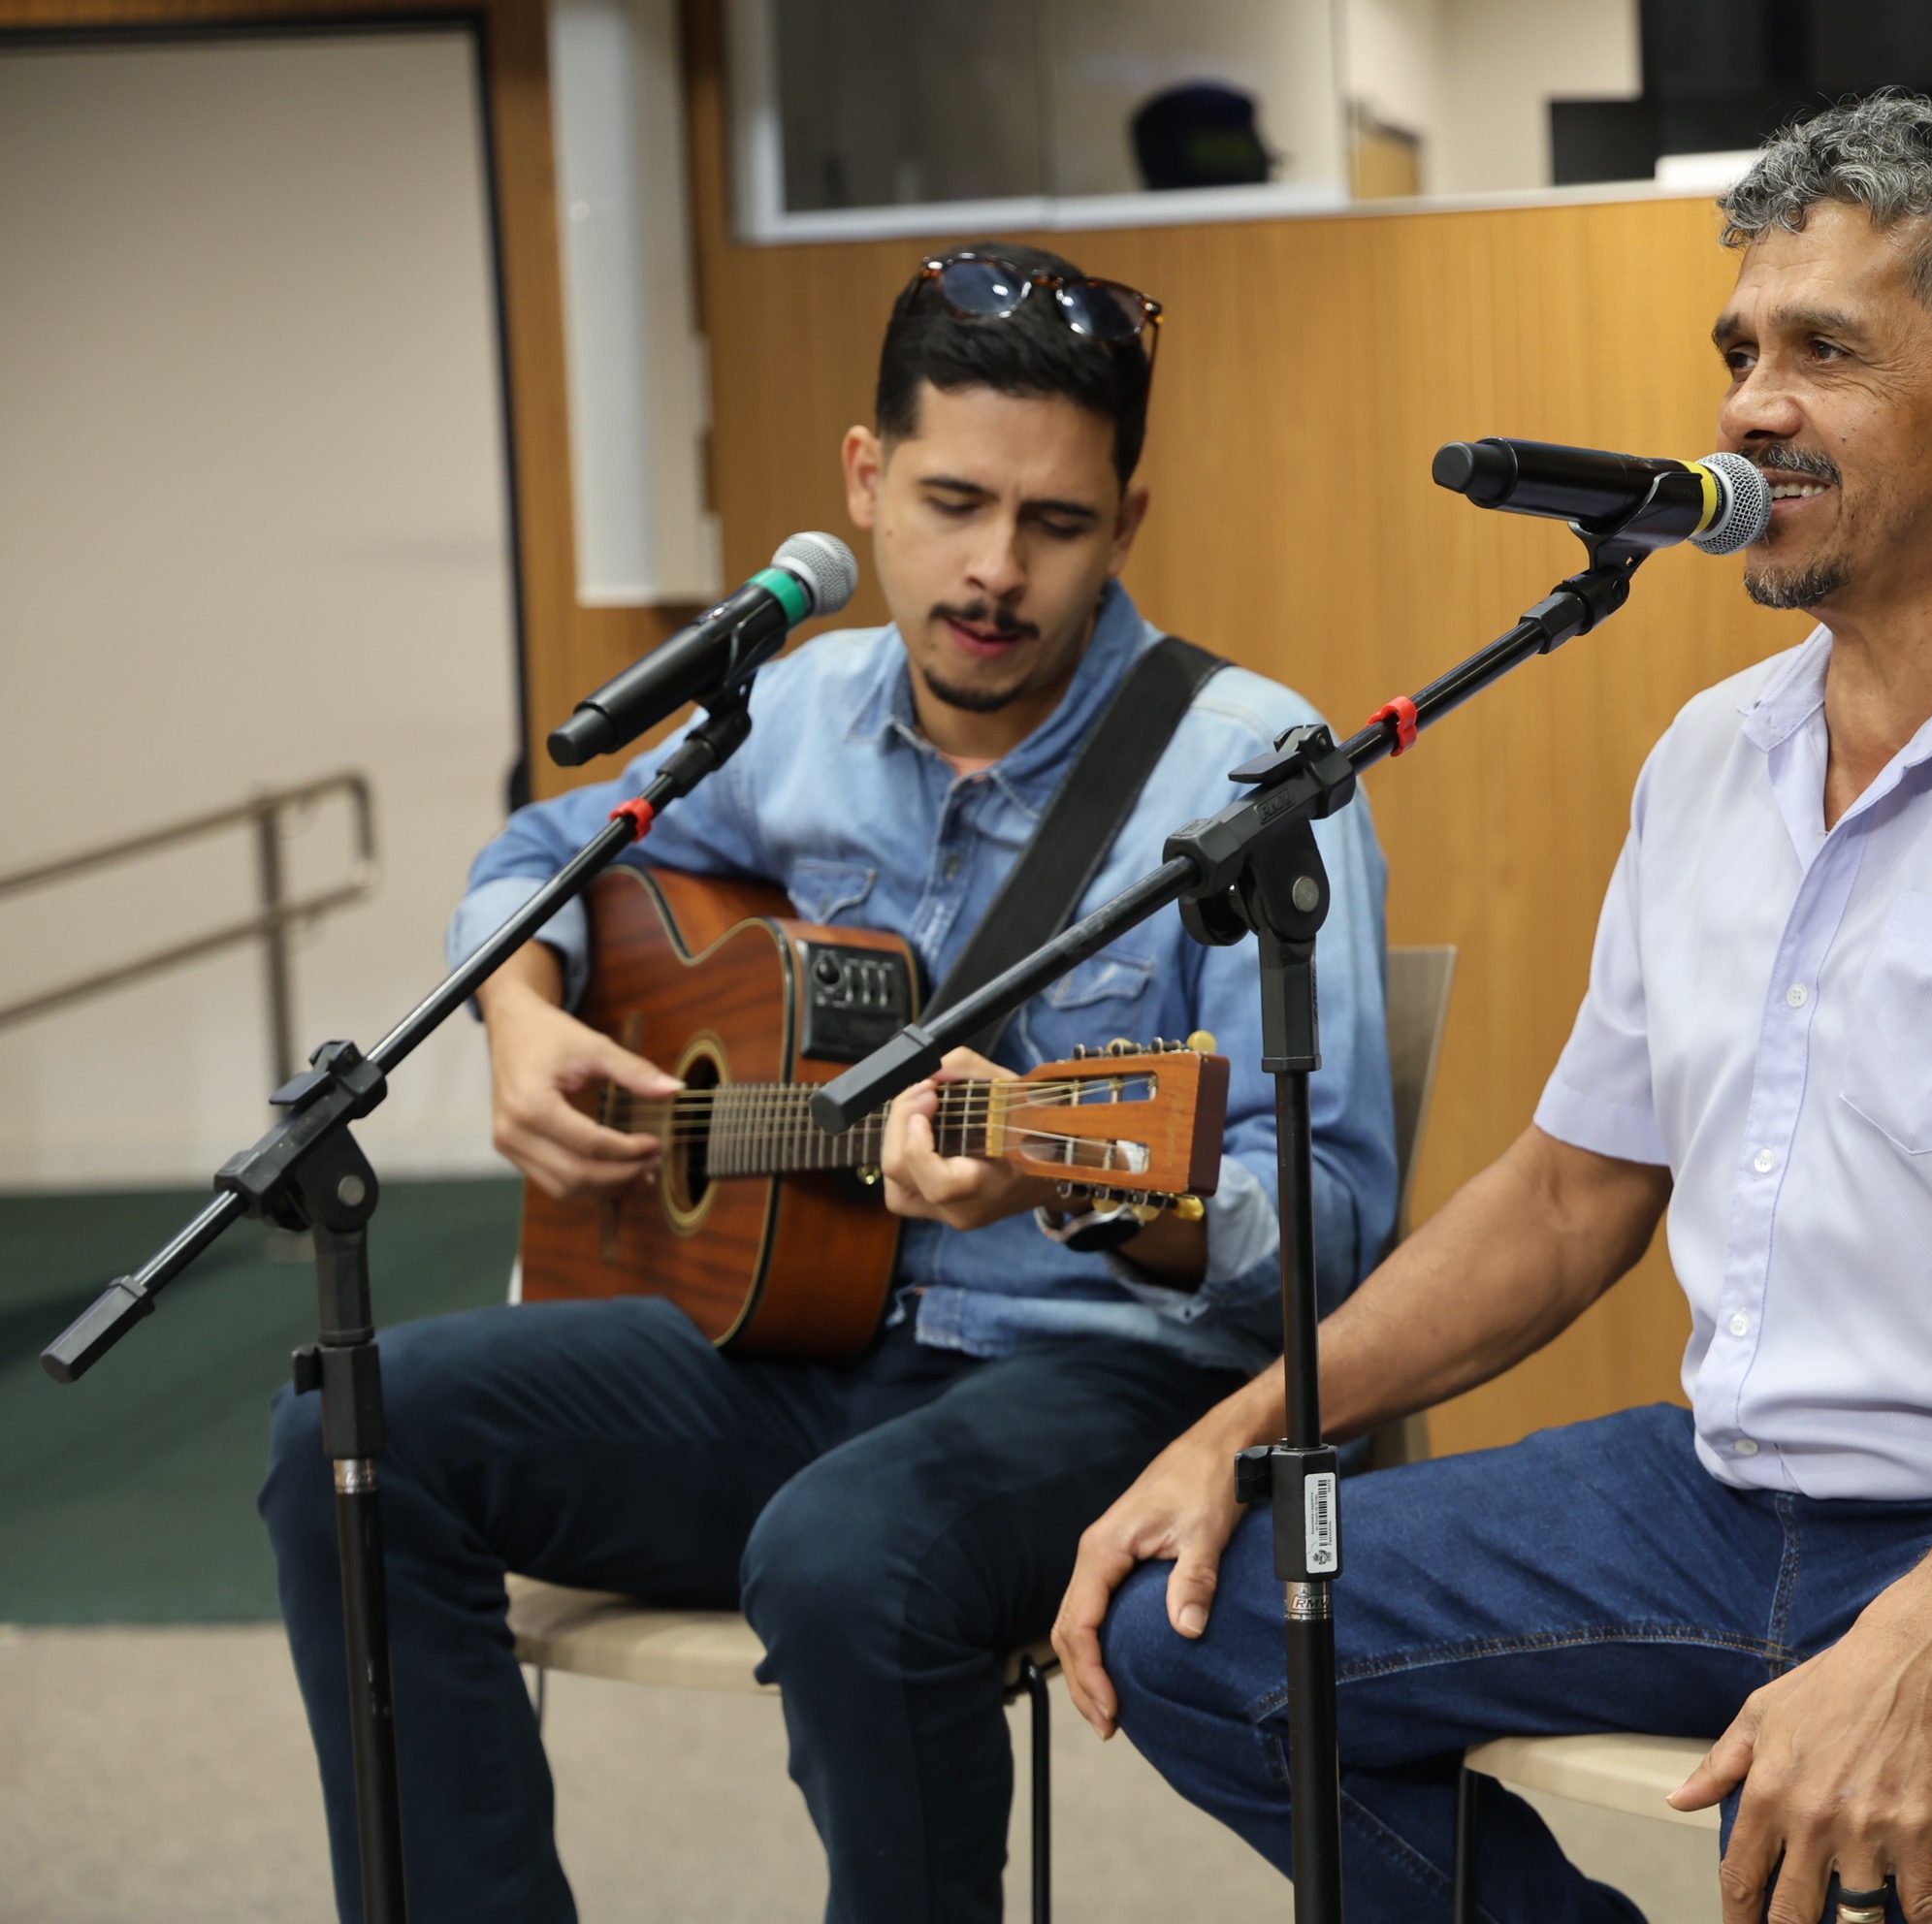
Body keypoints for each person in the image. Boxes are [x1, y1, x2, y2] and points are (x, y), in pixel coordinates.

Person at [1053, 99, 1932, 1924]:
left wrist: (1926, 1639)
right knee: (1200, 1631)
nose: (1750, 408)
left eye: (1825, 352)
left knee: (1877, 1831)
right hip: (1732, 1506)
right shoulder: (1709, 758)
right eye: (1740, 352)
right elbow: (1566, 1196)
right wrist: (1246, 1429)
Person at [260, 240, 1398, 1924]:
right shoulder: (788, 712)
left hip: (1096, 1377)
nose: (994, 570)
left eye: (1056, 522)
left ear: (1127, 523)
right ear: (865, 481)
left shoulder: (1249, 771)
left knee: (848, 1556)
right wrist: (518, 1010)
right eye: (951, 504)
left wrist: (1068, 1183)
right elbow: (544, 848)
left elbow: (1334, 1221)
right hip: (792, 1350)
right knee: (351, 1439)